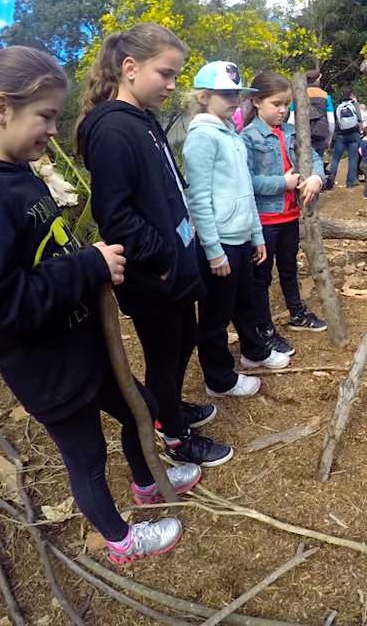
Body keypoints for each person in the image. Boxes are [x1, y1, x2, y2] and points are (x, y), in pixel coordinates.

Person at [0, 45, 198, 565]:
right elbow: (3, 305)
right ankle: (120, 540)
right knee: (86, 456)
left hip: (85, 345)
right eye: (46, 117)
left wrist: (88, 262)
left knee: (139, 409)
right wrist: (89, 267)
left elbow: (44, 253)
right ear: (1, 108)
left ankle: (147, 480)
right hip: (48, 368)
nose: (54, 131)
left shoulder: (19, 174)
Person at [78, 23, 231, 468]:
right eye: (165, 73)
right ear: (130, 68)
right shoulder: (110, 130)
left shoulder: (142, 120)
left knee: (183, 343)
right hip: (154, 275)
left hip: (178, 265)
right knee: (164, 356)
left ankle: (171, 408)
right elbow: (116, 215)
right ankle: (175, 436)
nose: (172, 84)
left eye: (176, 75)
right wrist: (163, 256)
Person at [184, 61, 292, 400]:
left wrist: (257, 234)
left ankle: (254, 351)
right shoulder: (202, 138)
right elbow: (199, 198)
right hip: (221, 244)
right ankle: (219, 379)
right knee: (215, 316)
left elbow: (245, 190)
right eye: (225, 94)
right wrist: (213, 250)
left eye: (236, 94)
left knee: (245, 302)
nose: (233, 100)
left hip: (243, 237)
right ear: (204, 97)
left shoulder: (231, 135)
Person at [242, 70, 327, 358]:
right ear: (256, 102)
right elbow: (248, 181)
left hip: (290, 217)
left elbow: (313, 157)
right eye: (275, 104)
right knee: (261, 277)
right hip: (264, 222)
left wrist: (316, 177)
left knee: (289, 268)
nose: (282, 110)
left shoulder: (292, 132)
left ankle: (296, 312)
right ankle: (264, 328)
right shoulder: (248, 137)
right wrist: (283, 183)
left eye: (286, 105)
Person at [327, 87, 362, 190]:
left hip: (340, 135)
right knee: (352, 159)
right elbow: (359, 119)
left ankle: (331, 182)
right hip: (354, 134)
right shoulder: (354, 104)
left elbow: (335, 119)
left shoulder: (337, 105)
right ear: (351, 95)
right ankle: (350, 183)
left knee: (335, 159)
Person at [305, 71, 332, 160]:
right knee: (317, 161)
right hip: (320, 132)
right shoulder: (325, 96)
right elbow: (331, 121)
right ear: (317, 80)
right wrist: (329, 139)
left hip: (303, 132)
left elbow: (292, 119)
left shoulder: (298, 95)